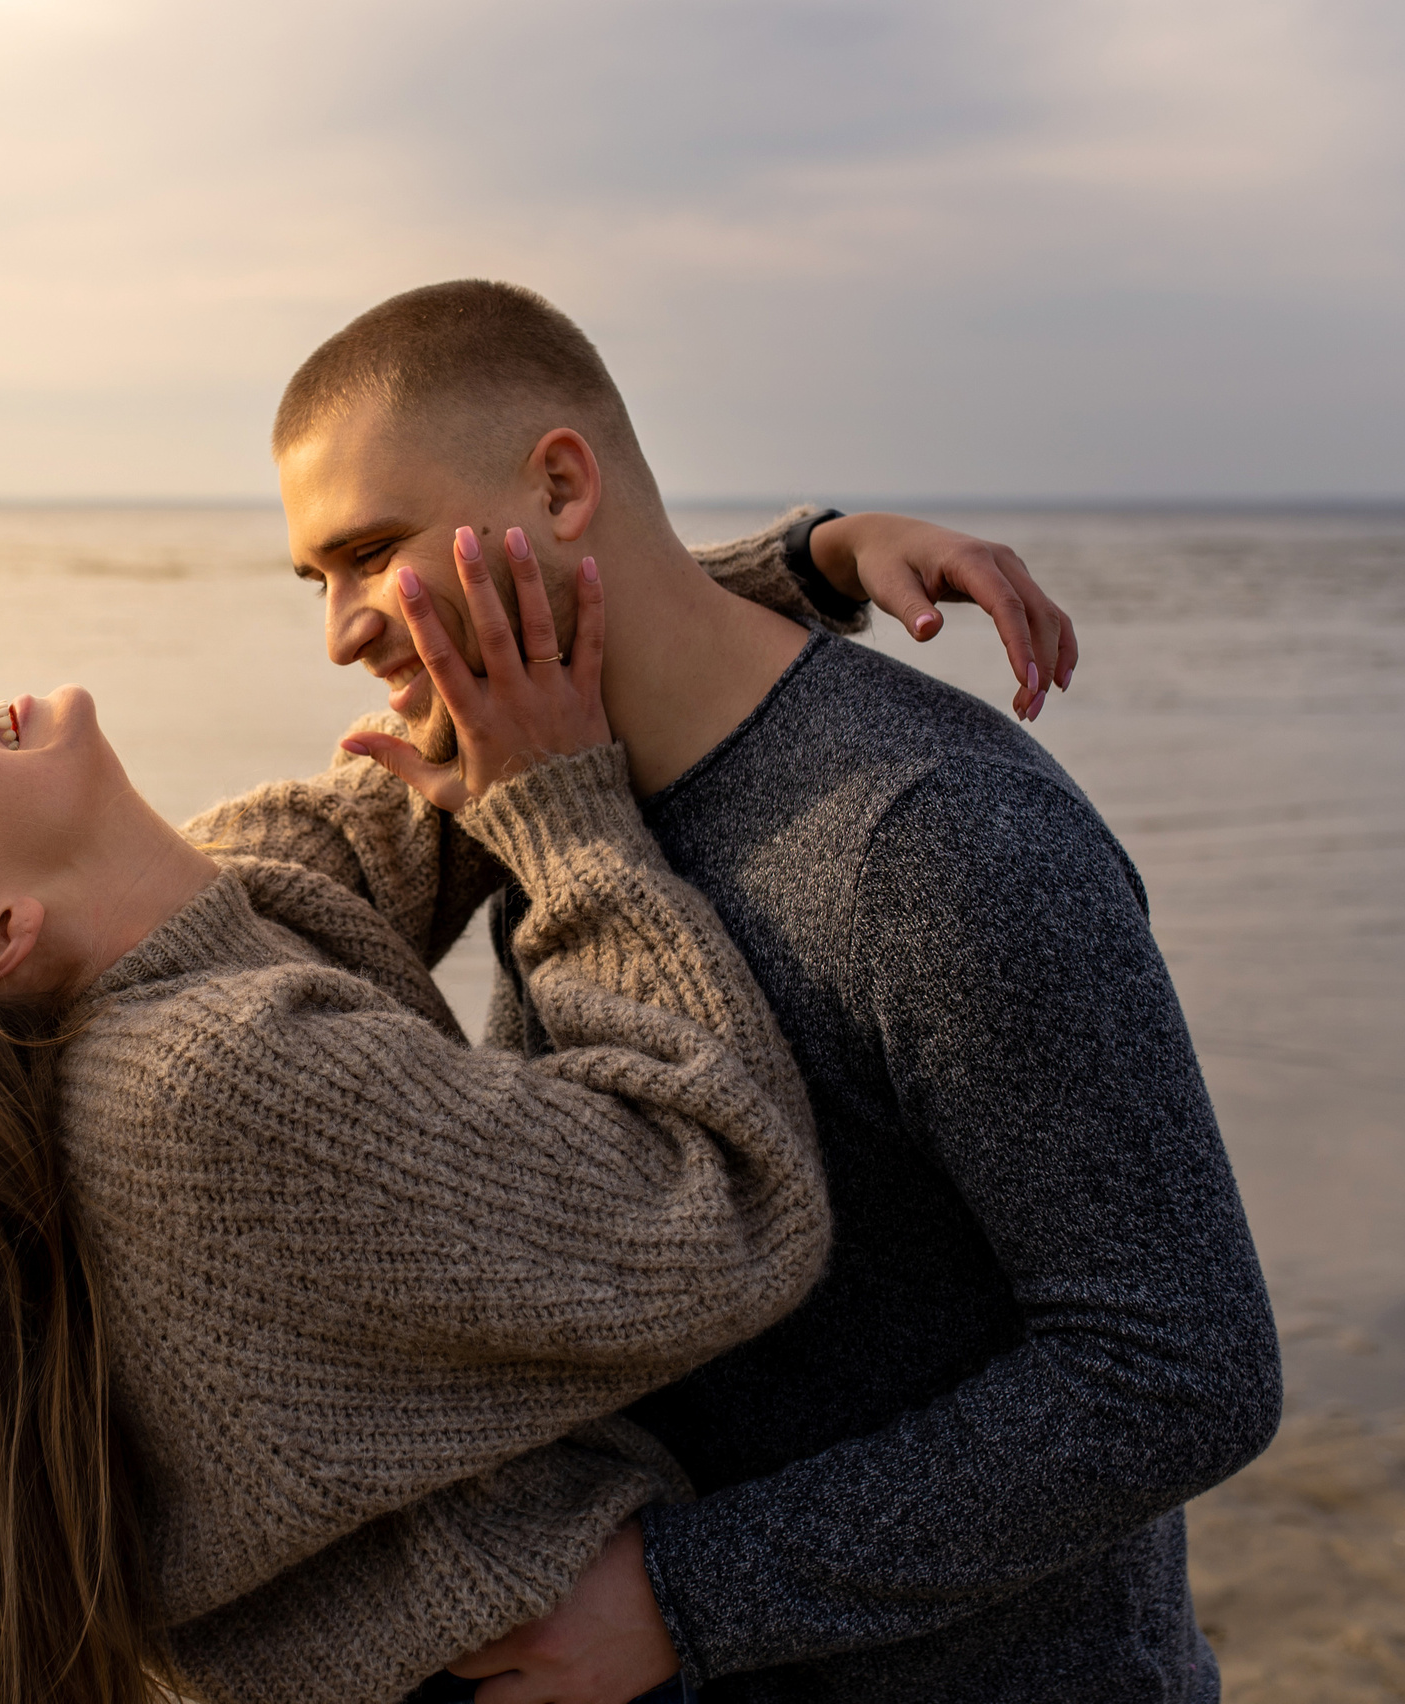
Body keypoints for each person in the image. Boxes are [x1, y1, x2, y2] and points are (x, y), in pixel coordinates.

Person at [0, 522, 861, 1704]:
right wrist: (570, 821)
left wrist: (799, 565)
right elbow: (720, 1202)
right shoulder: (204, 1090)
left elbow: (444, 761)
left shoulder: (182, 917)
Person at [271, 280, 1281, 1703]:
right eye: (313, 580)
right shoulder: (539, 777)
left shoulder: (936, 838)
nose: (341, 632)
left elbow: (1181, 1370)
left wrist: (687, 1598)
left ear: (563, 486)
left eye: (368, 553)